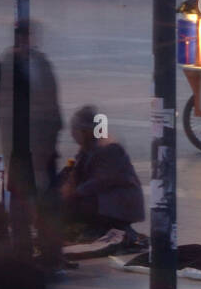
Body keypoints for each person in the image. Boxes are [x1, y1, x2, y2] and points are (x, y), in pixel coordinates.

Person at [0, 22, 63, 275]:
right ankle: (23, 254)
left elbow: (53, 99)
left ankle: (51, 255)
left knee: (48, 202)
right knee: (21, 203)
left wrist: (53, 131)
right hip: (19, 149)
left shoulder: (41, 63)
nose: (27, 41)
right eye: (24, 37)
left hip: (45, 146)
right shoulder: (6, 66)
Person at [58, 105, 145, 247]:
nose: (73, 135)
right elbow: (73, 169)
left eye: (76, 131)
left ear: (86, 131)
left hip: (120, 202)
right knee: (62, 201)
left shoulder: (110, 148)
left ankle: (99, 228)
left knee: (77, 203)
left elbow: (102, 180)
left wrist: (74, 193)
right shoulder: (88, 147)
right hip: (104, 198)